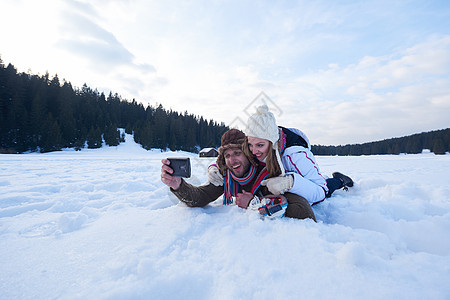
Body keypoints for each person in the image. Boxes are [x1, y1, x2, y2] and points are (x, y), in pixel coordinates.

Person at [161, 128, 316, 221]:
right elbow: (200, 197)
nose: (232, 160)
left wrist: (255, 203)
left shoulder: (268, 174)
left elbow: (303, 210)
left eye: (237, 153)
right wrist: (178, 185)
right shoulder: (226, 176)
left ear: (249, 154)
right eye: (227, 156)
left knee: (327, 187)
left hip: (309, 180)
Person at [242, 105, 354, 206]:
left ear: (272, 143)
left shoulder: (296, 156)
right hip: (302, 178)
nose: (253, 151)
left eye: (260, 145)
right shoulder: (253, 148)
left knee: (326, 185)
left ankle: (340, 180)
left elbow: (321, 191)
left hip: (314, 183)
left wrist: (289, 182)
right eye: (250, 145)